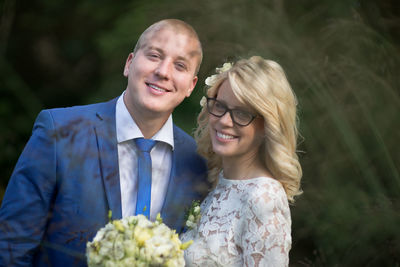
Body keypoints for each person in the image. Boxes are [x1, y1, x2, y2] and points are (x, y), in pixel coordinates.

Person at [0, 19, 208, 266]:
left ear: (191, 87)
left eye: (180, 65)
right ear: (129, 64)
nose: (163, 71)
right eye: (154, 55)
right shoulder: (59, 131)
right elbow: (12, 246)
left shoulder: (198, 163)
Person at [181, 56, 303, 266]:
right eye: (220, 106)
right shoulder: (217, 181)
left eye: (241, 113)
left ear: (268, 125)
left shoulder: (264, 198)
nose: (224, 121)